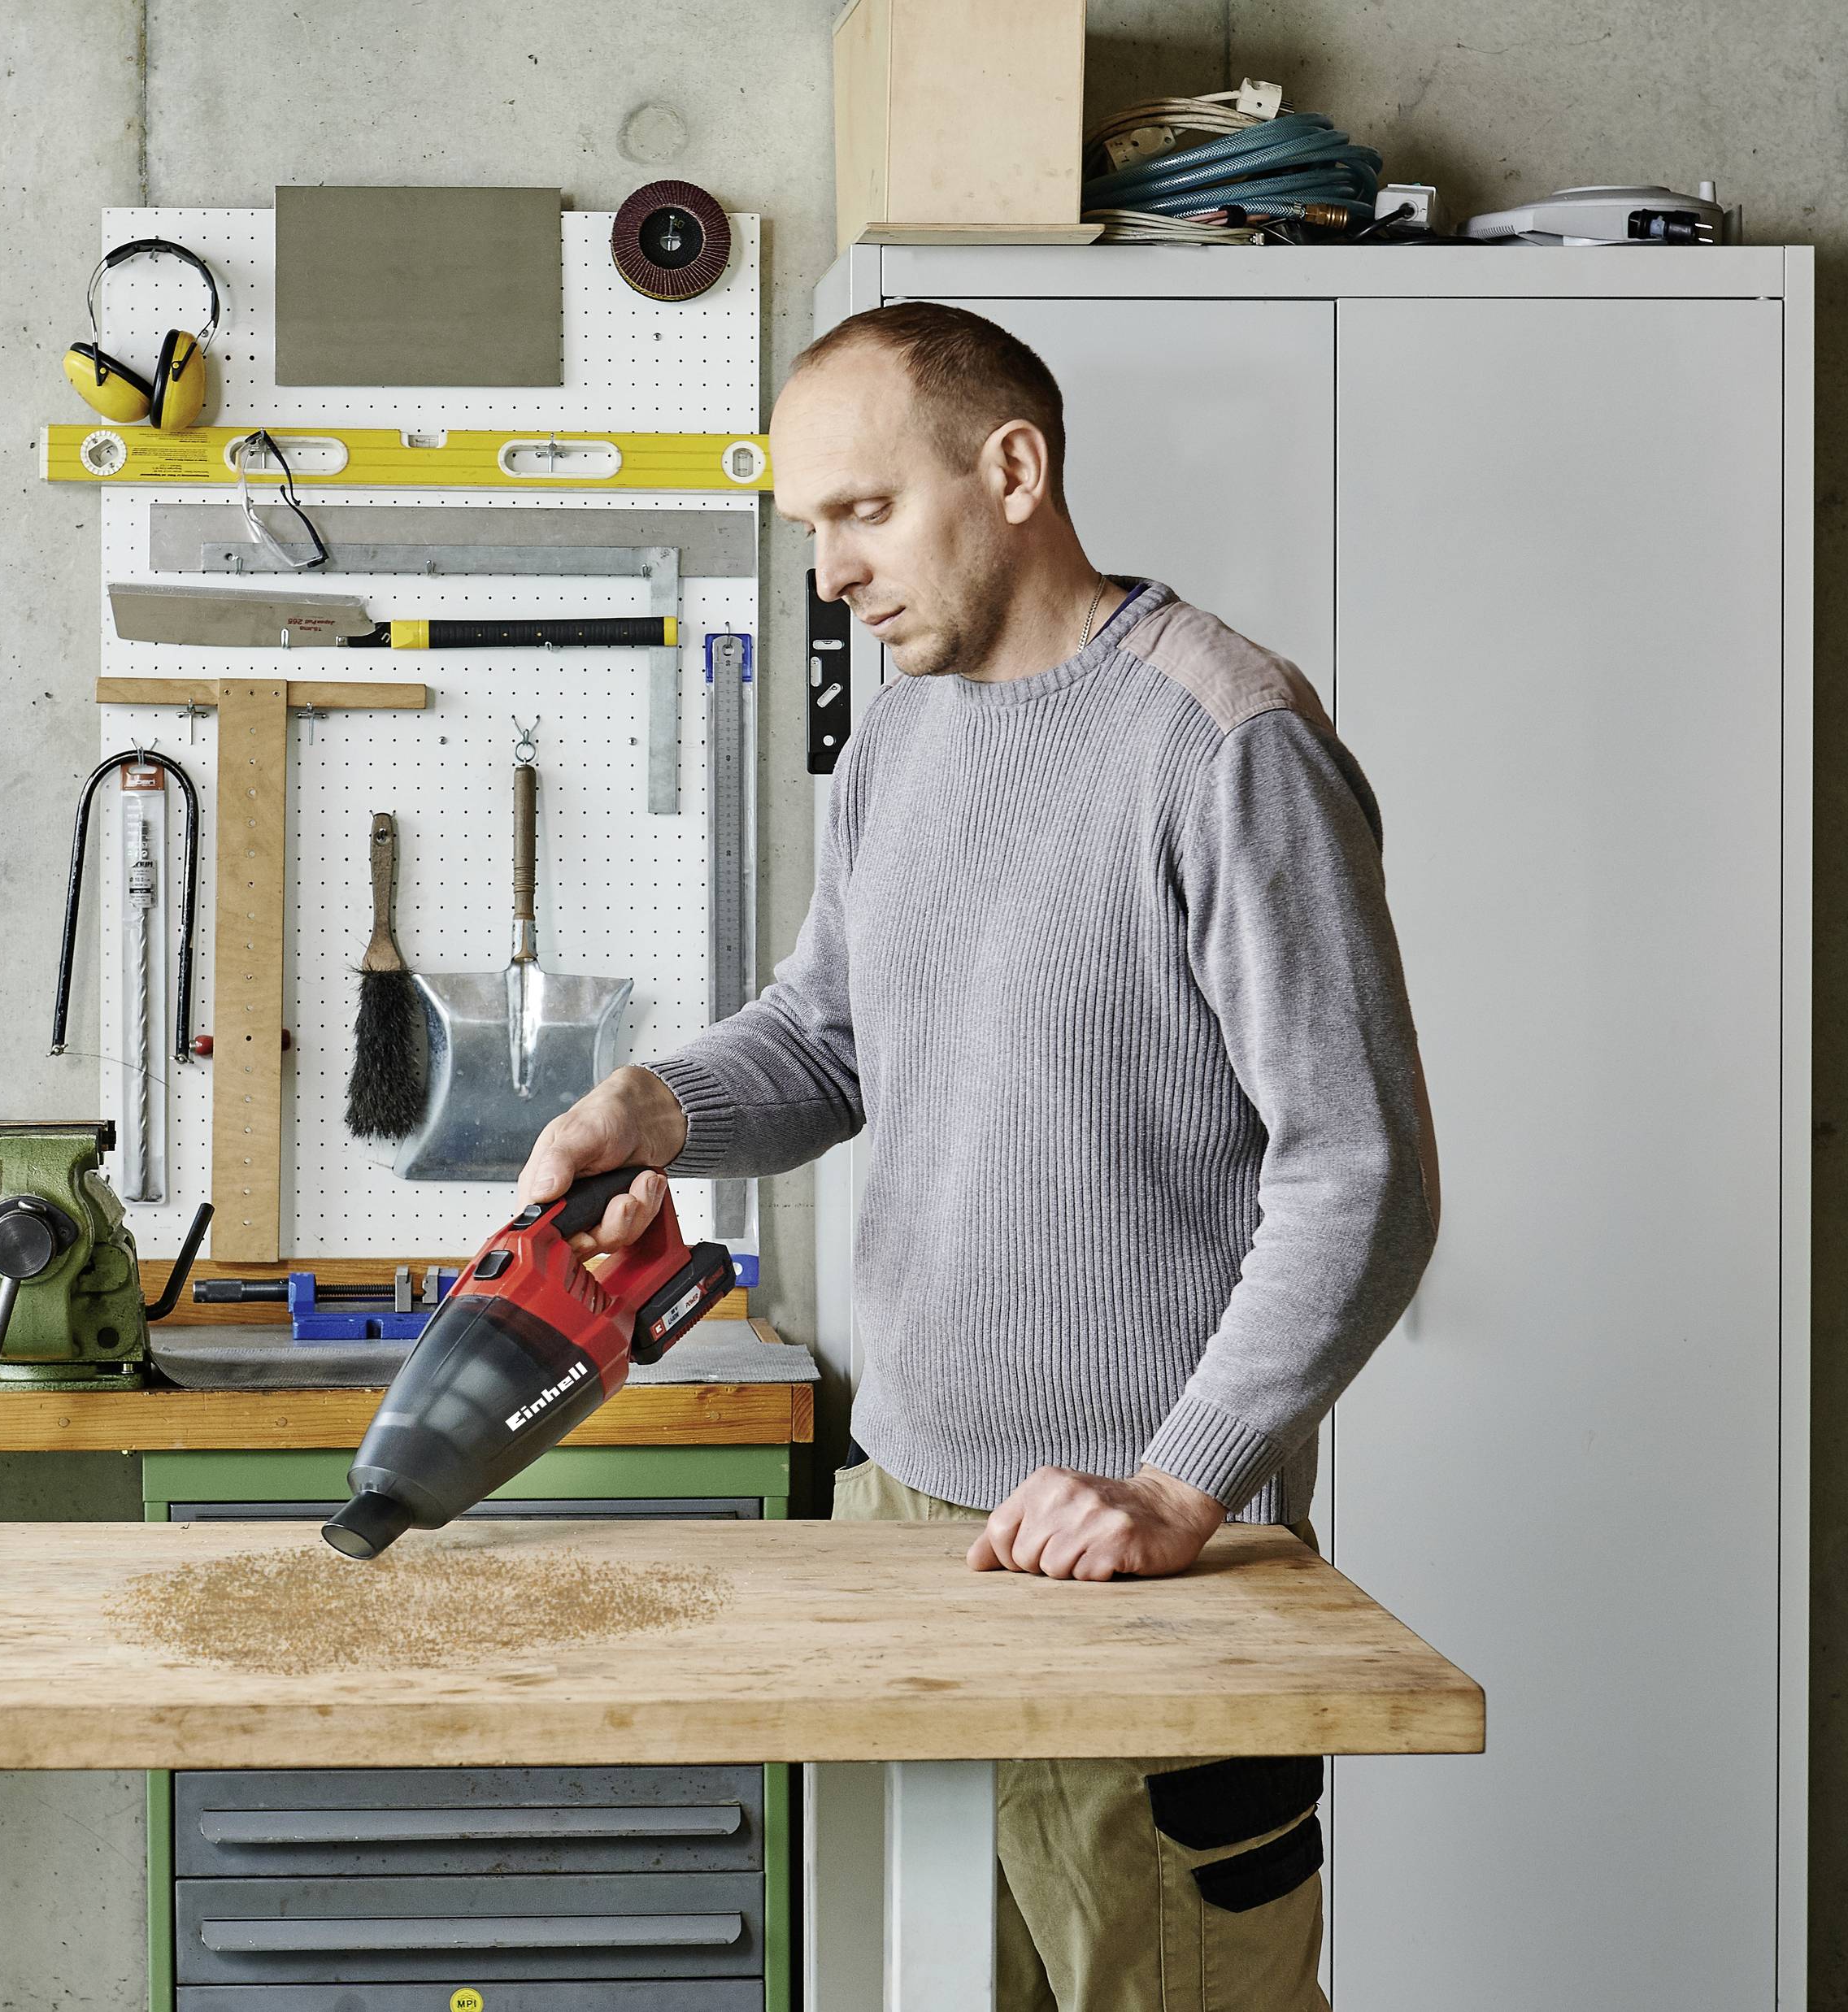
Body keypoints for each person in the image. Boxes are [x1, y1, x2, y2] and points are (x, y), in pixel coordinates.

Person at [515, 302, 1440, 2012]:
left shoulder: (1227, 741)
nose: (831, 575)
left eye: (862, 513)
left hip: (1145, 1555)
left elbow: (1358, 1171)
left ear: (1011, 469)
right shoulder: (900, 735)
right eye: (809, 530)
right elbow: (831, 1034)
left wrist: (1180, 1482)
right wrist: (653, 1105)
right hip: (915, 1524)